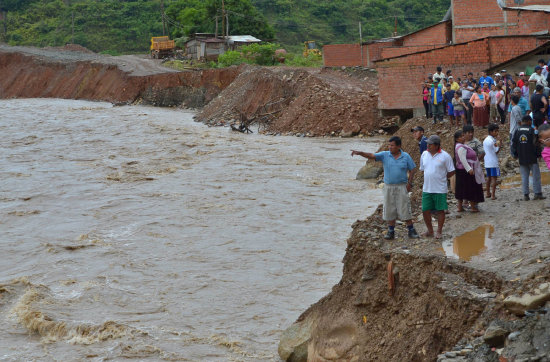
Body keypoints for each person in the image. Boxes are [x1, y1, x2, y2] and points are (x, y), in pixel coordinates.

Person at [351, 136, 419, 239]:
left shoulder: (406, 156)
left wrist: (410, 183)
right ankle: (390, 231)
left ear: (399, 146)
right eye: (389, 145)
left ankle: (411, 230)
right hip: (388, 186)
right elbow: (371, 155)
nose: (390, 147)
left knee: (405, 208)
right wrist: (360, 153)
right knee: (389, 208)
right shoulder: (385, 155)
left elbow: (413, 169)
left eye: (392, 145)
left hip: (401, 186)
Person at [420, 135, 455, 239]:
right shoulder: (424, 154)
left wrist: (443, 177)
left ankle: (439, 231)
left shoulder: (445, 156)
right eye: (427, 144)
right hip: (427, 188)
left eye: (430, 144)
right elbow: (422, 169)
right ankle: (430, 230)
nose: (428, 146)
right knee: (425, 210)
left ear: (436, 146)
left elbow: (452, 171)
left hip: (440, 189)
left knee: (440, 210)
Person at [511, 116, 546, 201]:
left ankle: (526, 195)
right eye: (531, 121)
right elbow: (536, 144)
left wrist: (515, 155)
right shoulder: (532, 131)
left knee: (524, 177)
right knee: (536, 176)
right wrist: (539, 155)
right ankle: (537, 194)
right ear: (528, 121)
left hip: (522, 158)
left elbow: (514, 144)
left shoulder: (517, 131)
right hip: (532, 158)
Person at [454, 130, 484, 212]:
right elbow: (463, 159)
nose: (463, 137)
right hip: (465, 170)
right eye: (461, 136)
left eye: (463, 135)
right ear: (457, 139)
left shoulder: (462, 145)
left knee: (461, 188)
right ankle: (473, 207)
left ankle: (460, 207)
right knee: (470, 188)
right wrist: (469, 169)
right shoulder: (460, 147)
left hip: (462, 170)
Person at [483, 123, 501, 200]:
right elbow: (496, 151)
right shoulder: (493, 141)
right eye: (495, 131)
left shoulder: (485, 140)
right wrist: (500, 144)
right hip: (493, 162)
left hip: (487, 161)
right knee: (494, 178)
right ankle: (493, 195)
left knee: (488, 178)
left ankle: (487, 193)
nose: (497, 133)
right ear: (491, 132)